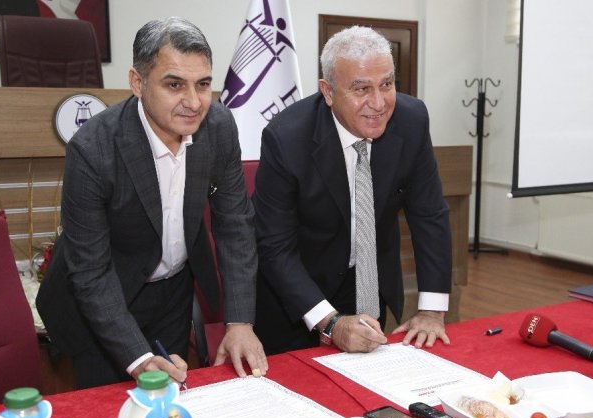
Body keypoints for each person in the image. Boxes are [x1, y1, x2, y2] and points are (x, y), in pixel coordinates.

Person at [36, 17, 267, 388]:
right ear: (137, 82)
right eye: (174, 85)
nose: (194, 102)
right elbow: (91, 271)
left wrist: (240, 322)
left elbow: (235, 225)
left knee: (167, 404)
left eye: (203, 84)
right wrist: (138, 358)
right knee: (109, 411)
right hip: (99, 305)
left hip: (171, 295)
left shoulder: (219, 126)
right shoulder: (94, 148)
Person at [253, 25, 453, 355]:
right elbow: (274, 246)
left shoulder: (412, 120)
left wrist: (432, 309)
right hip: (297, 296)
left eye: (386, 84)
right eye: (361, 89)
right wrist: (330, 323)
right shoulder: (286, 138)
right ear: (328, 91)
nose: (378, 103)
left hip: (366, 283)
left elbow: (429, 215)